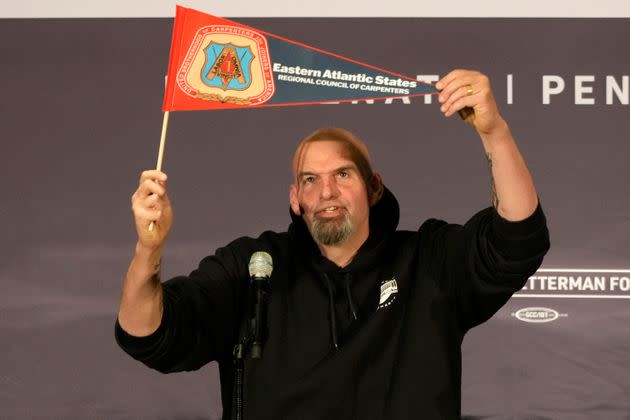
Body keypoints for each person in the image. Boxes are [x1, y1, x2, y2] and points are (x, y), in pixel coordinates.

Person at [115, 69, 550, 419]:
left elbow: (518, 239)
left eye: (342, 175)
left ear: (374, 187)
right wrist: (147, 251)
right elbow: (150, 335)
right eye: (310, 180)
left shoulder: (428, 260)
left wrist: (494, 133)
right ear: (295, 199)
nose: (326, 193)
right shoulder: (253, 266)